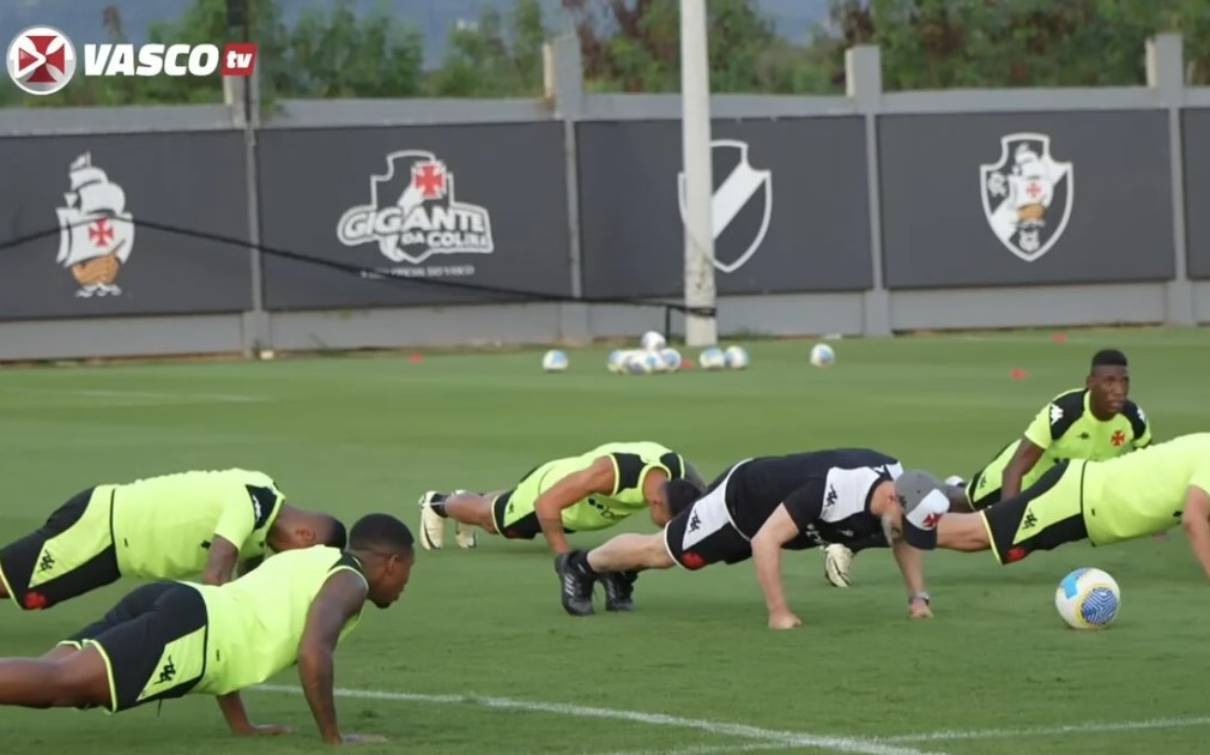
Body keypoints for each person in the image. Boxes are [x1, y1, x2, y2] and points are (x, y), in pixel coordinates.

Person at [0, 513, 414, 745]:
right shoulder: (351, 582)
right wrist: (335, 738)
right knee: (57, 684)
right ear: (392, 564)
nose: (403, 587)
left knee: (47, 679)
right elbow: (313, 653)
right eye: (406, 575)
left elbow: (236, 624)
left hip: (179, 604)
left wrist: (241, 725)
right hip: (189, 629)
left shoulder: (311, 559)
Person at [823, 348, 1151, 587]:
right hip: (1015, 478)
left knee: (969, 519)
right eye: (1109, 381)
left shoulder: (1133, 419)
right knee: (958, 508)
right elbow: (1015, 468)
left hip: (1062, 489)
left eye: (1124, 382)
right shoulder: (1064, 412)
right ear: (1089, 382)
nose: (1117, 390)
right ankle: (851, 538)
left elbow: (1145, 463)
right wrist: (1008, 521)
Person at [553, 449, 954, 629]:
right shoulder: (834, 489)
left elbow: (903, 537)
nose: (906, 530)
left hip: (776, 512)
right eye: (906, 521)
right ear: (890, 498)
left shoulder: (897, 491)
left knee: (666, 554)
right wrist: (779, 613)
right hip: (739, 503)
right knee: (662, 552)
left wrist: (919, 598)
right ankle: (581, 566)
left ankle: (620, 575)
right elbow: (766, 541)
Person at [0, 468, 346, 611]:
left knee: (27, 594)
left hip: (112, 553)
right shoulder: (251, 500)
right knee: (7, 580)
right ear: (305, 535)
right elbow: (215, 577)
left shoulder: (264, 509)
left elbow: (247, 575)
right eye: (303, 557)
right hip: (101, 528)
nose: (294, 565)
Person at [419, 441, 703, 610]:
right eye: (669, 521)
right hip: (548, 491)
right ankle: (440, 504)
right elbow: (546, 505)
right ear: (655, 504)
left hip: (580, 503)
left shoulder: (678, 474)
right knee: (494, 521)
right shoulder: (610, 475)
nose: (669, 527)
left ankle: (473, 501)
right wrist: (565, 559)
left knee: (501, 504)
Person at [923, 433, 1210, 572]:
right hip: (1077, 497)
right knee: (976, 536)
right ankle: (899, 524)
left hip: (1085, 500)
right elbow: (1194, 519)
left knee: (983, 535)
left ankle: (907, 522)